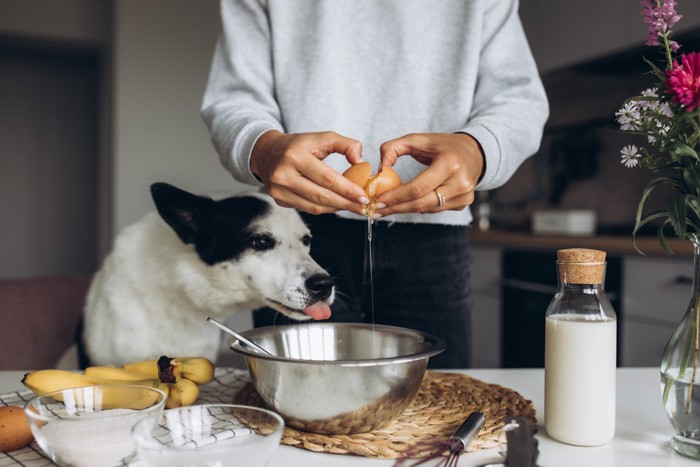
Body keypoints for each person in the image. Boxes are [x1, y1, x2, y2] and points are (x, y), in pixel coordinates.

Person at [201, 0, 549, 368]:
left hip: (432, 236)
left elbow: (518, 99)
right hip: (299, 233)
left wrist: (477, 151)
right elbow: (233, 97)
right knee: (302, 408)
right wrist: (263, 148)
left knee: (439, 406)